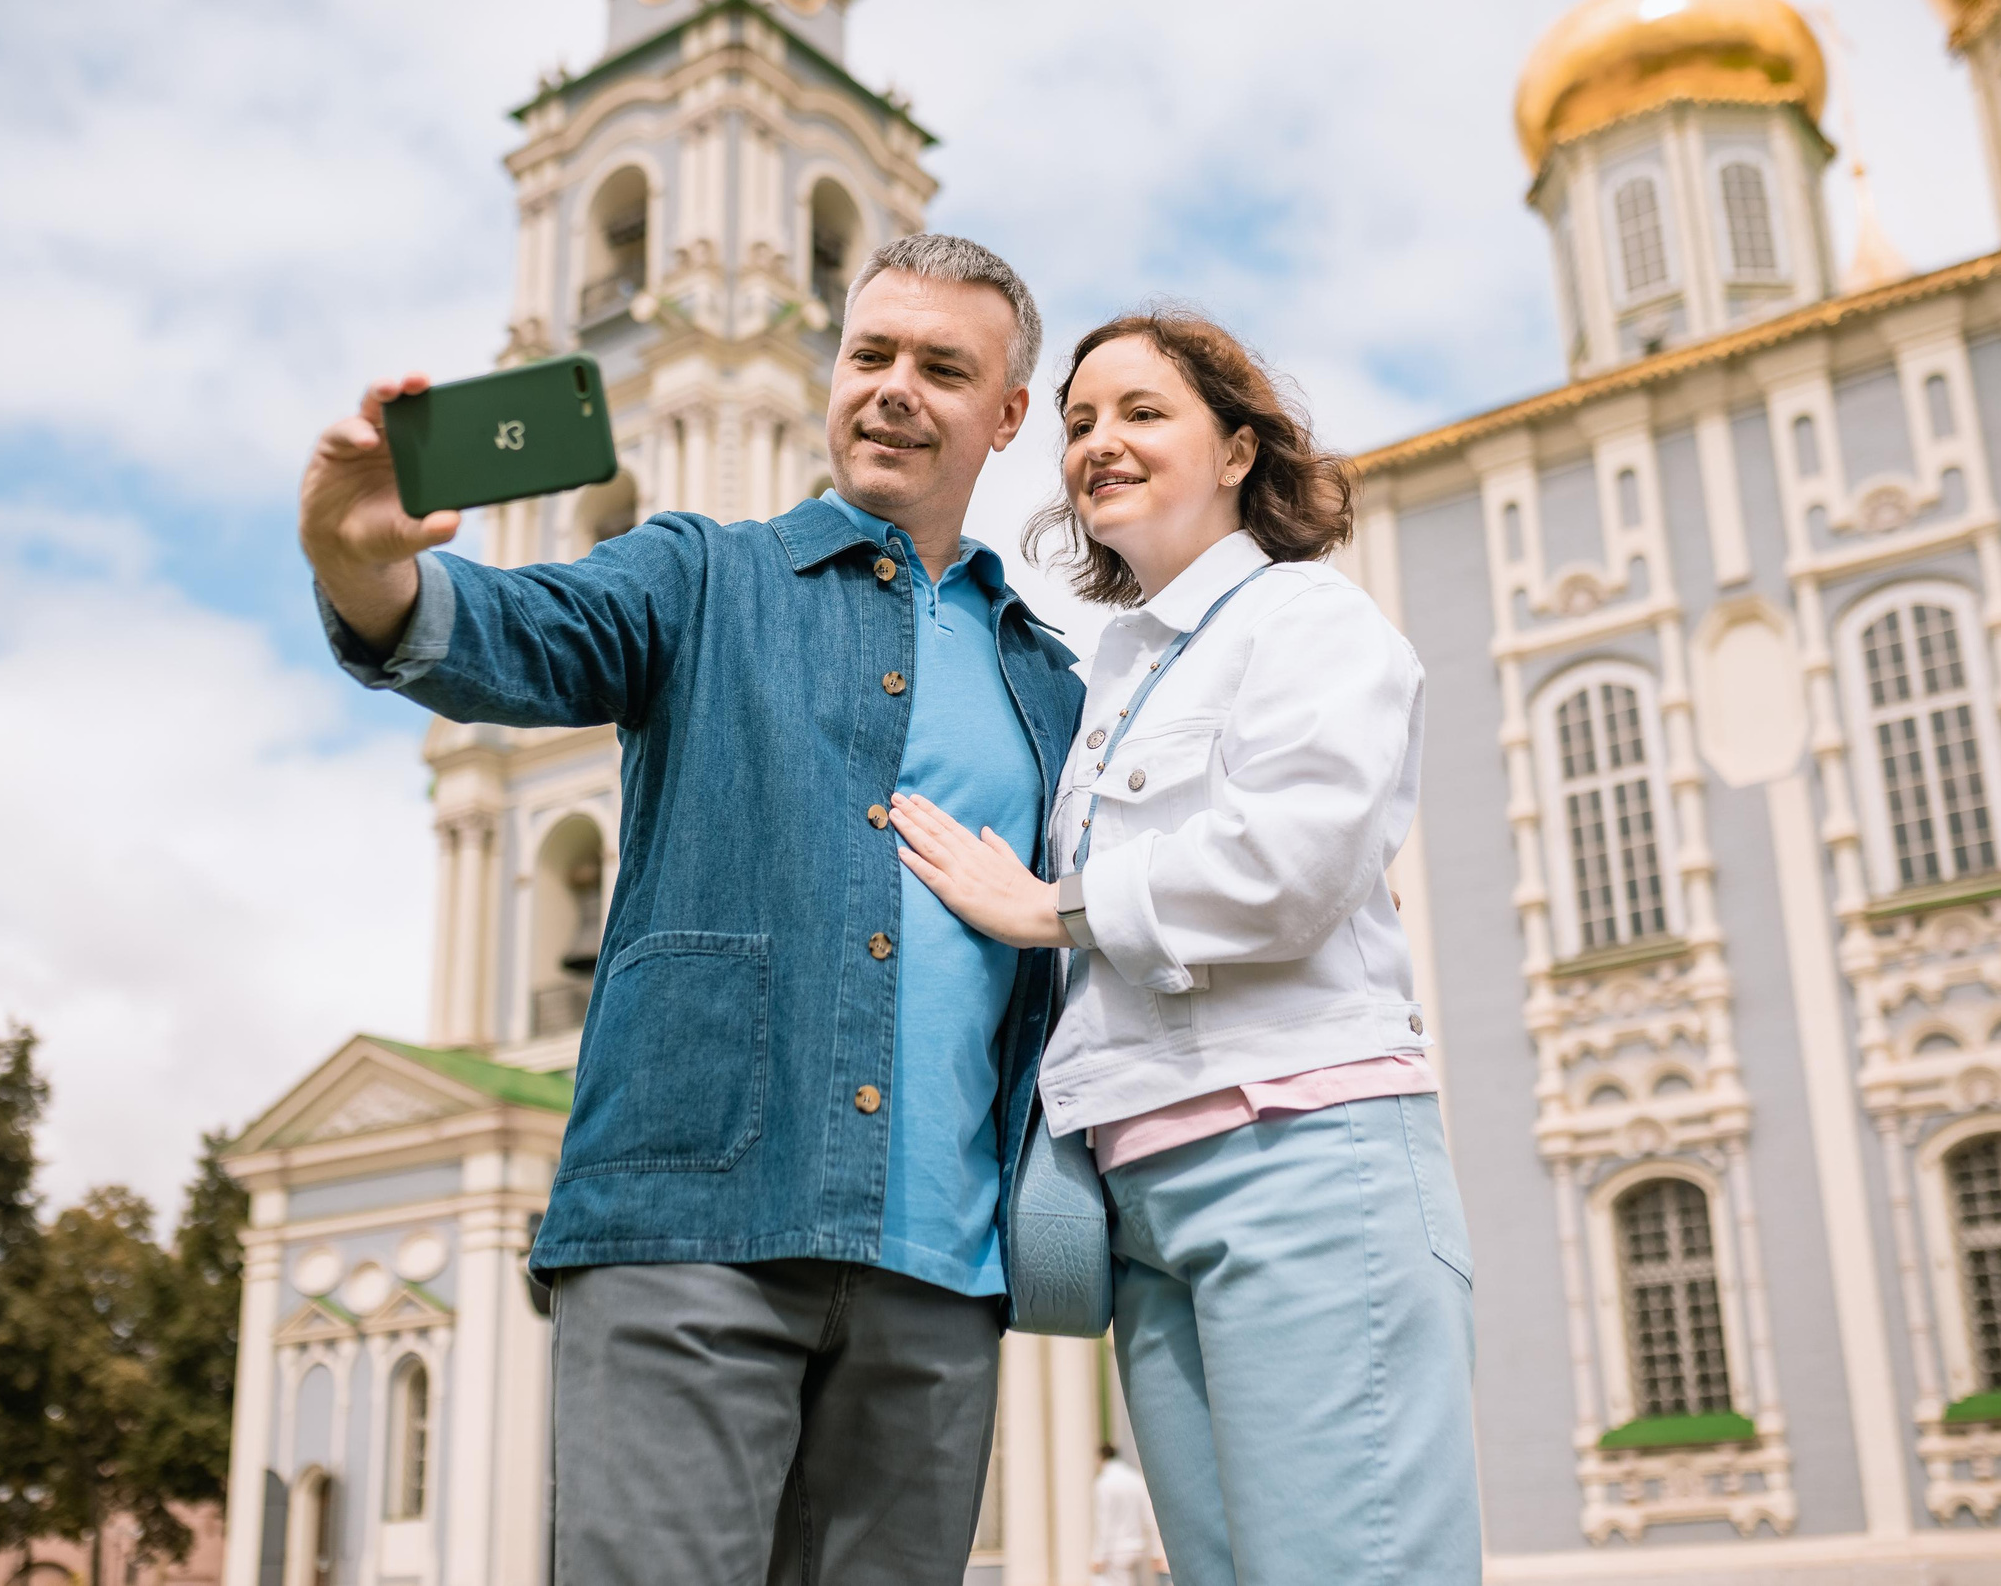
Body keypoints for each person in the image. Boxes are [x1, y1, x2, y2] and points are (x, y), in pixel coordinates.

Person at [299, 233, 1085, 1586]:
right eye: (870, 353)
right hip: (690, 1240)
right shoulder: (698, 574)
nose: (894, 387)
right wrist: (367, 568)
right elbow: (514, 632)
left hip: (941, 1281)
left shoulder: (1047, 679)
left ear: (1008, 415)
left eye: (943, 367)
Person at [888, 308, 1481, 1585]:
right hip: (1143, 1208)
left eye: (1142, 412)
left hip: (1301, 1165)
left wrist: (1052, 905)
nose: (1099, 442)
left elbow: (1292, 869)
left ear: (1236, 450)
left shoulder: (1309, 623)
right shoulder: (1108, 675)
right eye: (1080, 422)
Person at [1092, 1443, 1165, 1585]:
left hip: (1116, 1550)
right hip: (1138, 1547)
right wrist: (1156, 1551)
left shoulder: (1104, 1483)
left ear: (1101, 1458)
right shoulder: (1136, 1479)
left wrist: (1098, 1555)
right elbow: (1149, 1517)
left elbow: (1104, 1521)